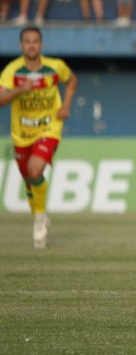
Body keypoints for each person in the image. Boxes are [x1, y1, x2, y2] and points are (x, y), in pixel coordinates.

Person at [0, 27, 77, 249]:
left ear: (41, 45)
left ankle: (38, 220)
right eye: (27, 42)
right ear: (21, 45)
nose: (31, 45)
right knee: (28, 181)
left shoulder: (55, 66)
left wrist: (66, 106)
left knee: (35, 171)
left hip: (49, 128)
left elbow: (71, 81)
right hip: (21, 134)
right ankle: (39, 215)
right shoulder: (12, 71)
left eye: (35, 41)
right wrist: (17, 92)